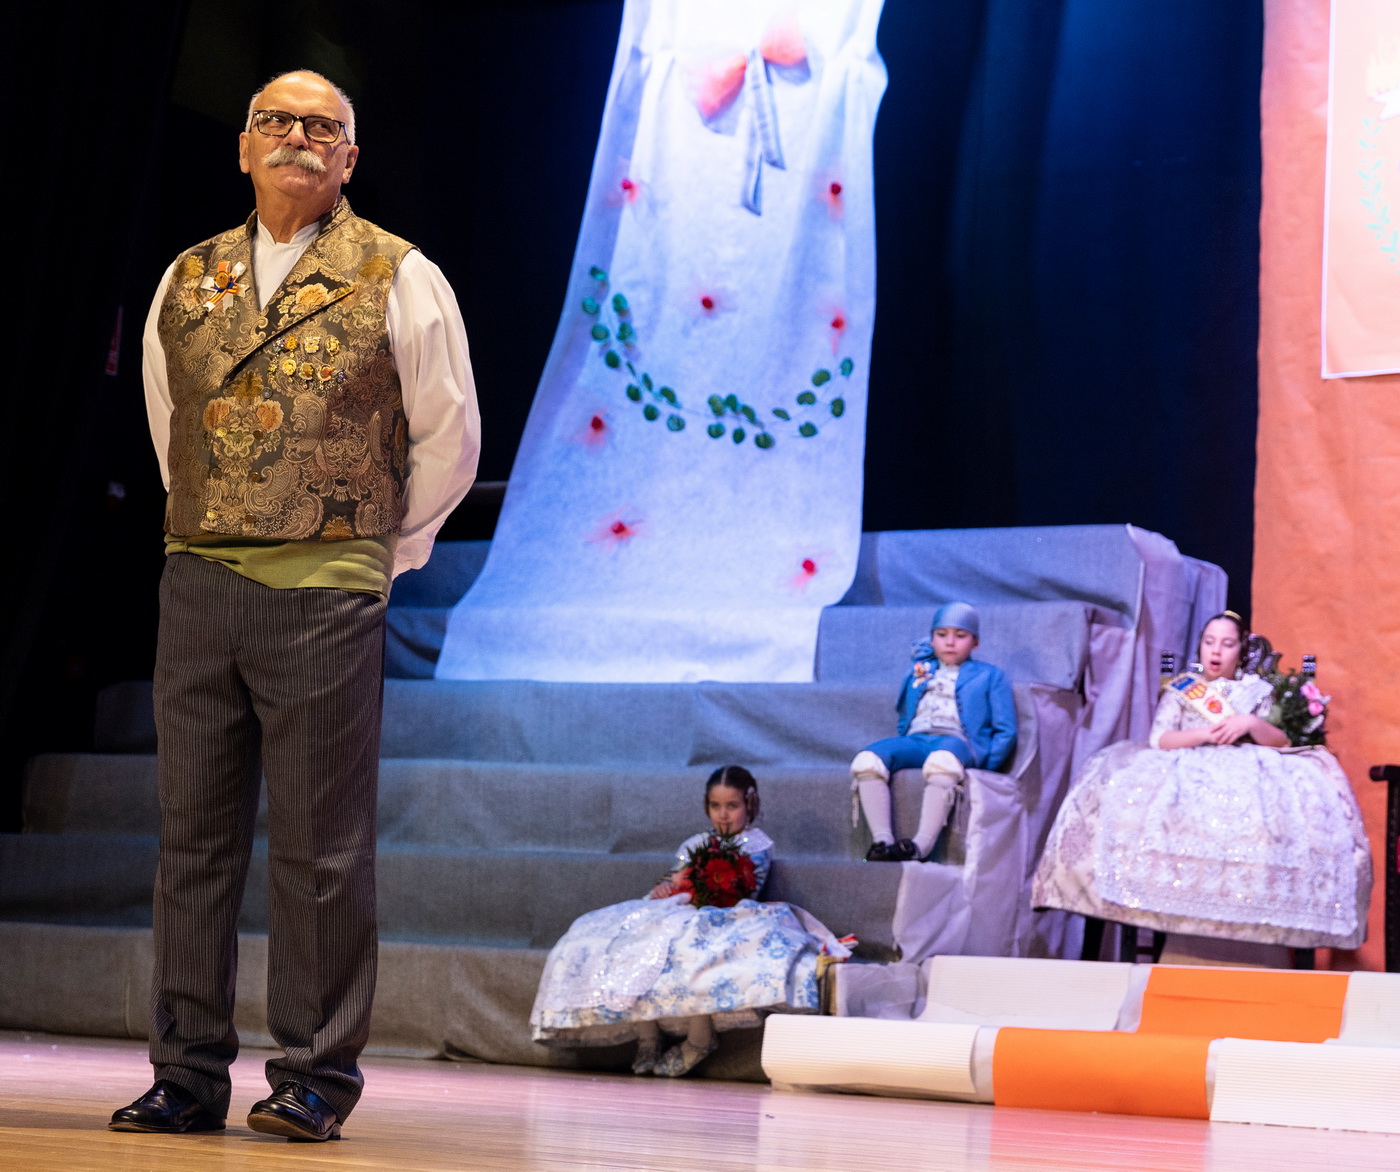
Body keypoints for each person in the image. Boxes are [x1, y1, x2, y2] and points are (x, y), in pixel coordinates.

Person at [109, 71, 479, 1142]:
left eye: (323, 127)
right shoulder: (190, 274)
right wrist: (212, 518)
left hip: (325, 588)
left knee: (322, 846)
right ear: (243, 146)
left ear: (349, 158)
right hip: (199, 580)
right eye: (276, 121)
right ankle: (185, 1072)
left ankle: (314, 1074)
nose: (298, 137)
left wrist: (381, 552)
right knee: (192, 841)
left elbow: (448, 436)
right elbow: (170, 420)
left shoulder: (399, 273)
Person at [1033, 613, 1372, 949]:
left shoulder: (1256, 691)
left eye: (1227, 644)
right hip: (1186, 768)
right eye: (1209, 642)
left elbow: (1281, 742)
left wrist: (1249, 724)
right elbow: (1160, 738)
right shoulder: (1184, 689)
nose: (1216, 651)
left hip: (1250, 774)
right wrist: (1205, 734)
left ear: (1241, 650)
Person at [530, 766, 848, 1078]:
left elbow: (745, 887)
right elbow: (674, 876)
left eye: (732, 806)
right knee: (636, 937)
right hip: (683, 907)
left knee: (694, 945)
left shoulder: (755, 844)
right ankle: (648, 1036)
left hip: (724, 911)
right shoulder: (696, 843)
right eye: (716, 806)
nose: (723, 815)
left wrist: (707, 890)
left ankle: (700, 1038)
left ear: (749, 804)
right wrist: (664, 888)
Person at [851, 602, 1017, 862]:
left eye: (960, 636)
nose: (950, 642)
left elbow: (1006, 730)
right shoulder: (920, 671)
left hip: (958, 741)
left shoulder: (990, 675)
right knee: (867, 760)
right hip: (917, 738)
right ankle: (882, 841)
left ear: (975, 642)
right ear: (932, 639)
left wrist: (983, 762)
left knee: (942, 761)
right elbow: (905, 712)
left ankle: (920, 846)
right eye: (941, 635)